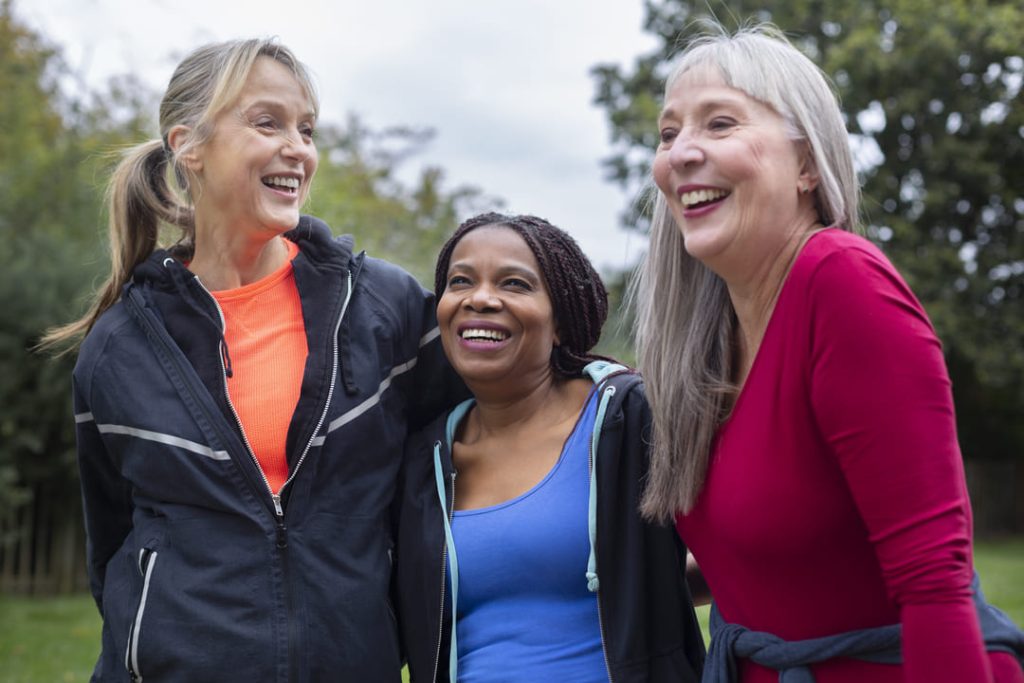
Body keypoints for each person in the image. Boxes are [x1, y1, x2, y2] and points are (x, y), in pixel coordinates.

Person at [40, 39, 461, 681]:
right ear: (190, 145)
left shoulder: (383, 306)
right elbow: (117, 544)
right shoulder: (119, 346)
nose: (299, 148)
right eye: (268, 123)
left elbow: (487, 426)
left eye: (307, 129)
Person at [634, 23, 1024, 683]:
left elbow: (934, 585)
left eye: (719, 123)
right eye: (669, 134)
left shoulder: (843, 286)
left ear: (808, 165)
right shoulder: (701, 339)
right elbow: (770, 558)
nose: (682, 153)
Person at [395, 213, 706, 682]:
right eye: (460, 281)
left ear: (561, 321)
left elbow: (741, 552)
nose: (479, 298)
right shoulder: (425, 458)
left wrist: (643, 589)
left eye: (515, 284)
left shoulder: (631, 419)